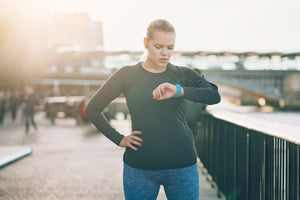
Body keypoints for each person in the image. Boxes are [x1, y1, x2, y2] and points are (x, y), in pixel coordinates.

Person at [84, 19, 220, 200]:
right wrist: (119, 139)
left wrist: (178, 90)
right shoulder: (126, 74)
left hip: (182, 166)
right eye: (159, 46)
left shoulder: (182, 74)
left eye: (170, 48)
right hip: (140, 168)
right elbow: (92, 109)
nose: (165, 53)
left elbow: (213, 95)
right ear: (146, 43)